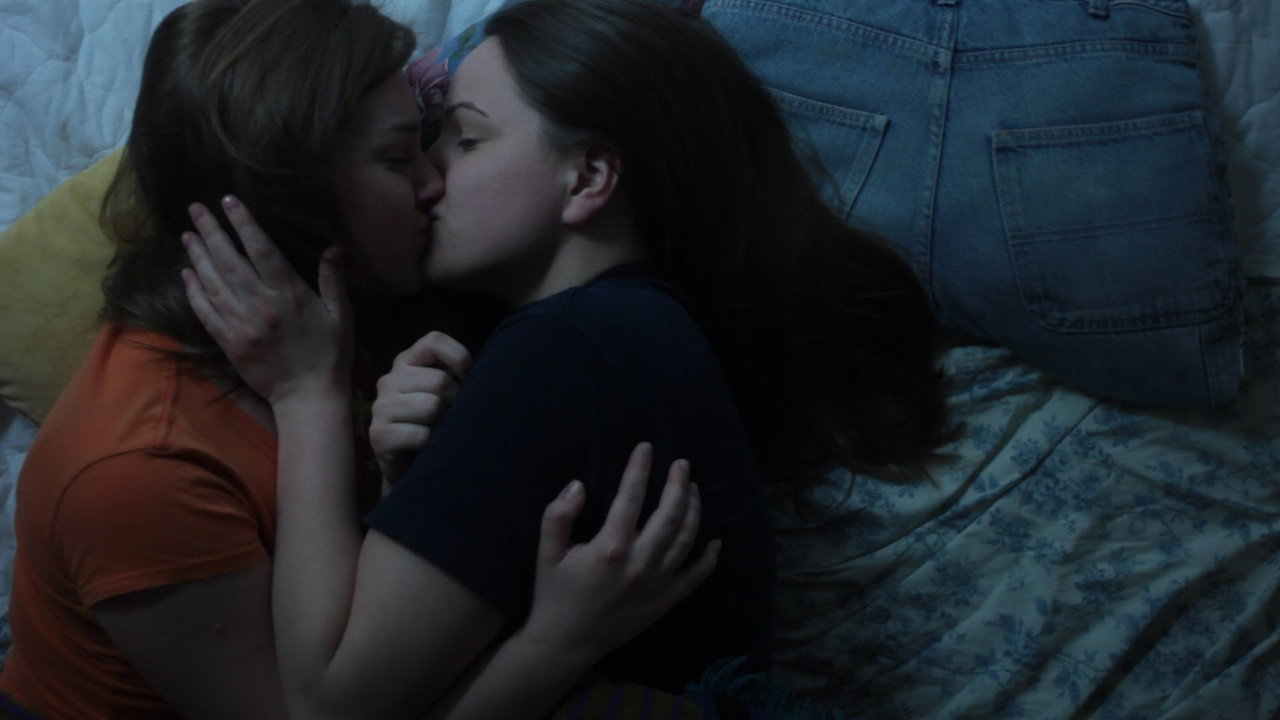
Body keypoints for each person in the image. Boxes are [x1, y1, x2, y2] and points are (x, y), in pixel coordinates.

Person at [179, 0, 950, 717]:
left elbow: (326, 703)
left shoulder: (570, 349)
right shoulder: (633, 330)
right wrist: (405, 482)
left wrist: (306, 397)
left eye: (466, 139)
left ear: (586, 176)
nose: (430, 176)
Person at [0, 1, 711, 718]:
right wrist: (554, 644)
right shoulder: (139, 467)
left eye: (436, 140)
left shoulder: (379, 296)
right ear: (294, 195)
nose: (435, 182)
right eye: (399, 158)